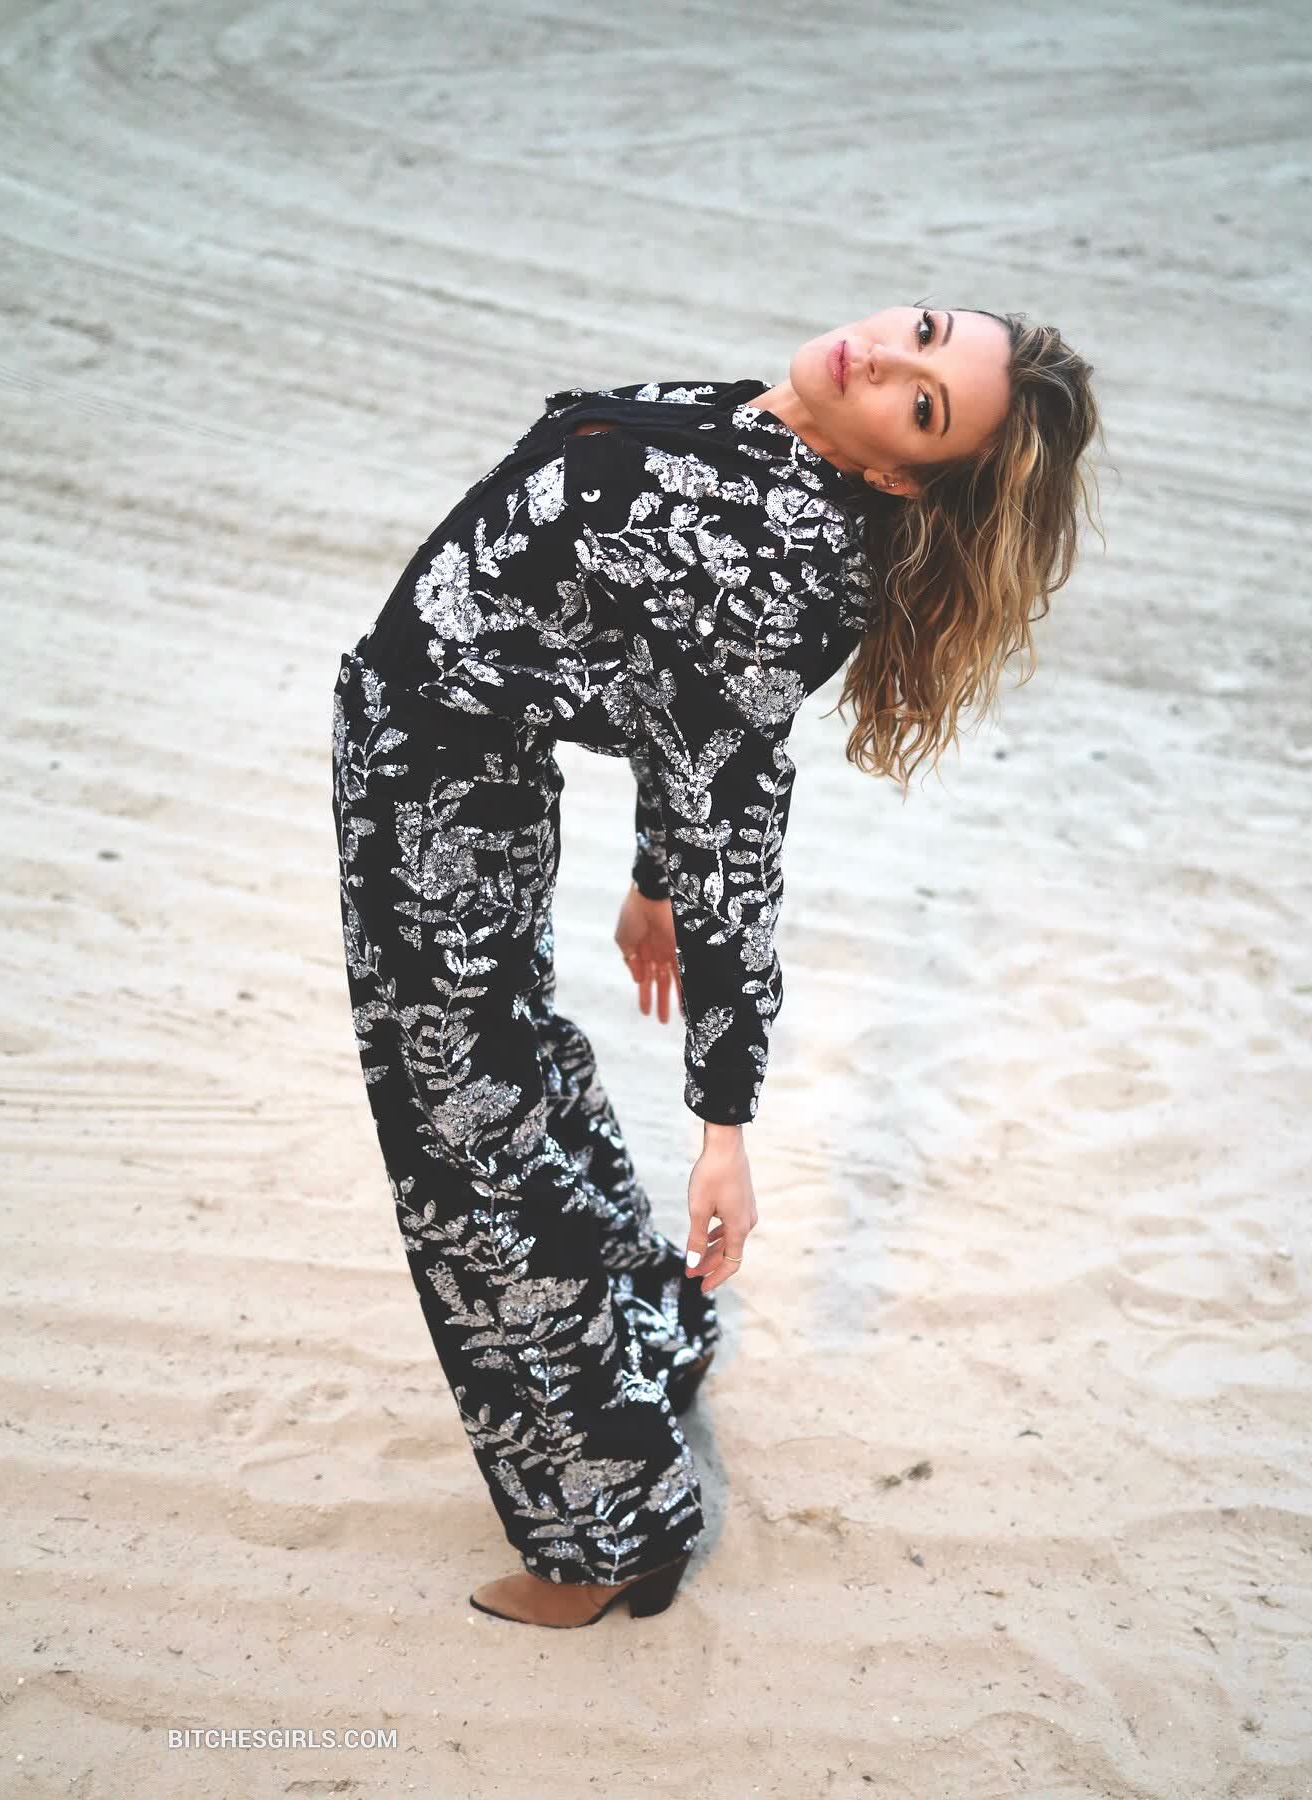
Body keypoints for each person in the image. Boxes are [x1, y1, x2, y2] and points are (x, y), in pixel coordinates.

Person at [329, 303, 1102, 1628]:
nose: (887, 357)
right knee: (510, 1080)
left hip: (440, 794)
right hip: (446, 768)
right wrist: (648, 879)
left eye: (922, 403)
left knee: (469, 1158)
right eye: (924, 331)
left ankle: (608, 1533)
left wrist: (723, 1126)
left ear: (902, 475)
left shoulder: (781, 551)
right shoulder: (764, 418)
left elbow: (734, 825)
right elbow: (656, 682)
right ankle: (649, 1325)